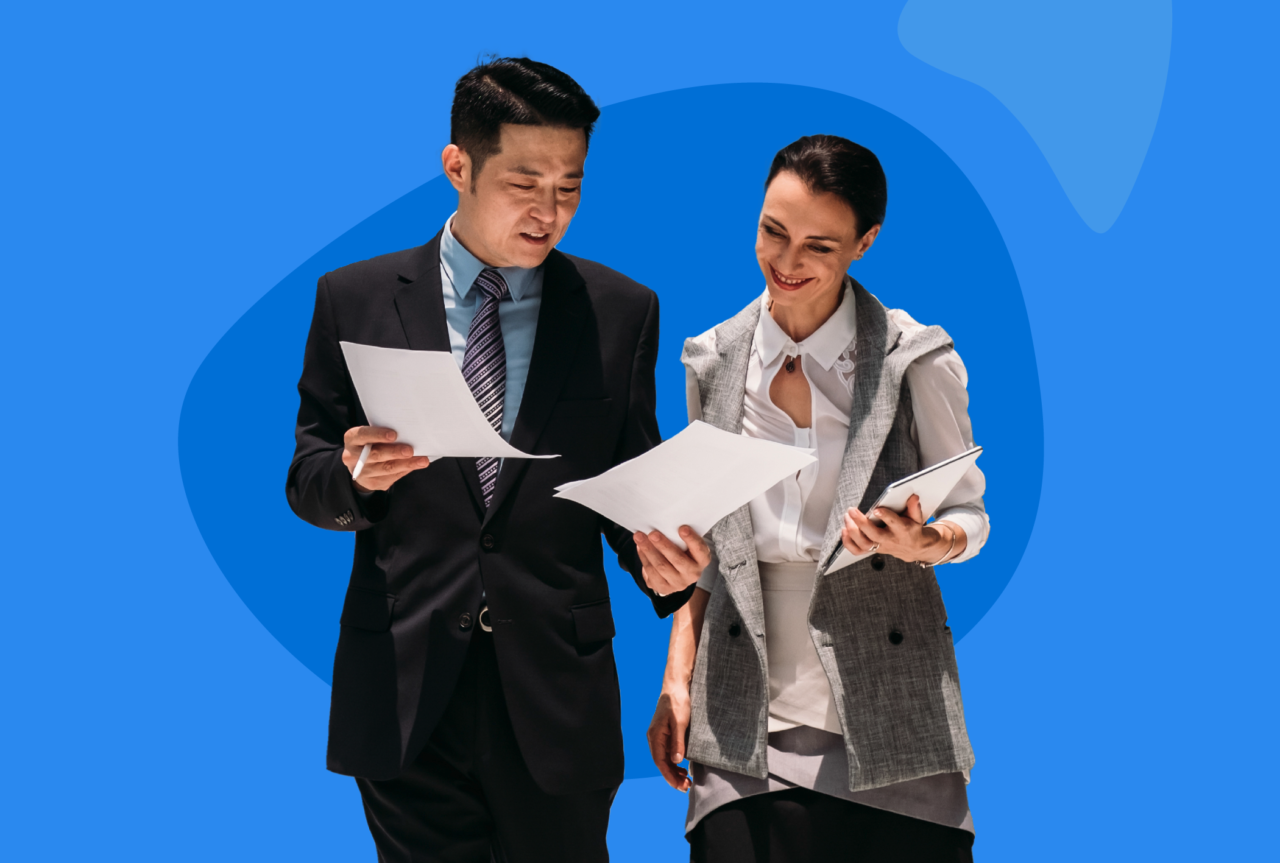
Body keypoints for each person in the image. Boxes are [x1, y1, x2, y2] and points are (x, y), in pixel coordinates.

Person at [285, 57, 707, 863]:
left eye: (570, 187)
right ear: (457, 166)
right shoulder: (357, 298)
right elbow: (307, 476)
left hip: (557, 692)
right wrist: (354, 480)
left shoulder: (621, 312)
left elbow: (632, 493)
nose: (551, 212)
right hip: (407, 690)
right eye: (525, 183)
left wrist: (667, 567)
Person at [645, 135, 989, 862]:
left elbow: (969, 515)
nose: (787, 261)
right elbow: (708, 549)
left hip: (890, 709)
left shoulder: (913, 358)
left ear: (865, 243)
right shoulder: (711, 360)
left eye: (819, 246)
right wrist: (676, 678)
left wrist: (925, 543)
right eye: (773, 231)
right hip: (742, 713)